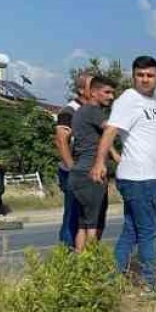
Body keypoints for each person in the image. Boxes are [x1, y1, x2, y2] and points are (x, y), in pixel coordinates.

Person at [90, 56, 156, 293]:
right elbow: (110, 131)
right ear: (133, 77)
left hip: (148, 176)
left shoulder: (152, 103)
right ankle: (150, 285)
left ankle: (113, 280)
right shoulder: (128, 100)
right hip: (138, 177)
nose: (145, 79)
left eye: (149, 75)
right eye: (140, 75)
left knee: (131, 230)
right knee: (149, 230)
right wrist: (100, 161)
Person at [69, 76, 117, 252]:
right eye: (107, 92)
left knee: (83, 223)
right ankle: (91, 266)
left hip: (79, 172)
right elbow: (111, 129)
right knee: (94, 226)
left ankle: (80, 264)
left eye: (113, 93)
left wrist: (114, 155)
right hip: (92, 173)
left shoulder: (81, 111)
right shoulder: (94, 111)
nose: (111, 97)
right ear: (93, 92)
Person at [54, 72, 92, 247]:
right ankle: (67, 254)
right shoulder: (69, 111)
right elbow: (61, 141)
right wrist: (72, 168)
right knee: (73, 215)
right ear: (80, 89)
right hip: (74, 172)